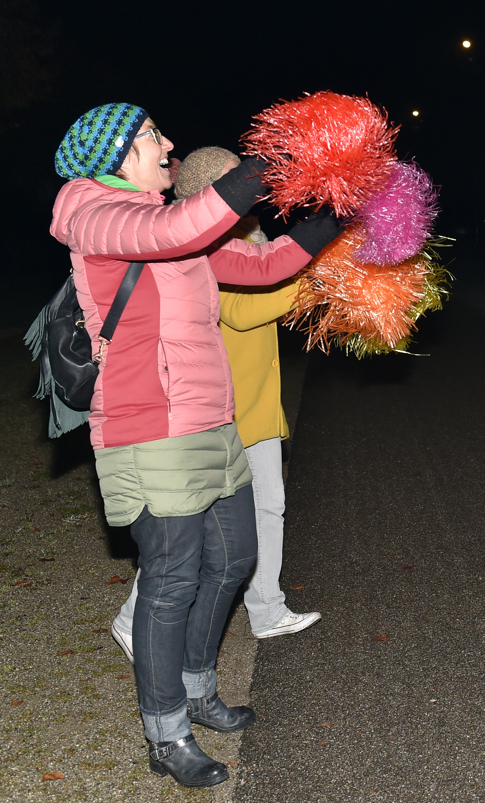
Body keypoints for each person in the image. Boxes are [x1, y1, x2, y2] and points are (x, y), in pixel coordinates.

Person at [51, 104, 339, 788]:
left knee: (235, 556)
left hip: (213, 423)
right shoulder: (93, 213)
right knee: (173, 577)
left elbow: (265, 265)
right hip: (147, 427)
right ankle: (166, 731)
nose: (168, 143)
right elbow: (181, 224)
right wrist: (267, 163)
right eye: (153, 136)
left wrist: (341, 212)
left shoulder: (166, 224)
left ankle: (198, 686)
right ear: (115, 154)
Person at [110, 147, 321, 666]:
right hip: (220, 412)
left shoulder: (252, 237)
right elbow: (244, 313)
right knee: (194, 527)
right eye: (236, 178)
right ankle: (130, 618)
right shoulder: (201, 245)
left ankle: (267, 610)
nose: (252, 186)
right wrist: (311, 284)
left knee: (268, 511)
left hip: (257, 406)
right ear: (208, 189)